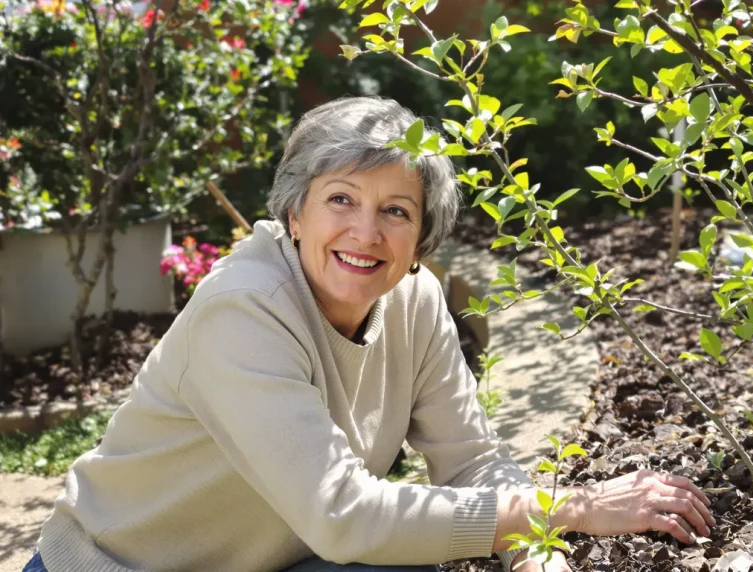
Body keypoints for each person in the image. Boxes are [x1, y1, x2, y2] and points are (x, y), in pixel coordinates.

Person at [25, 97, 715, 572]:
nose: (366, 232)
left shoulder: (413, 298)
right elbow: (344, 515)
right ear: (294, 214)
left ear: (422, 235)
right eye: (341, 200)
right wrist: (578, 508)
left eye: (395, 210)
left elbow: (471, 460)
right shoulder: (243, 311)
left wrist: (540, 551)